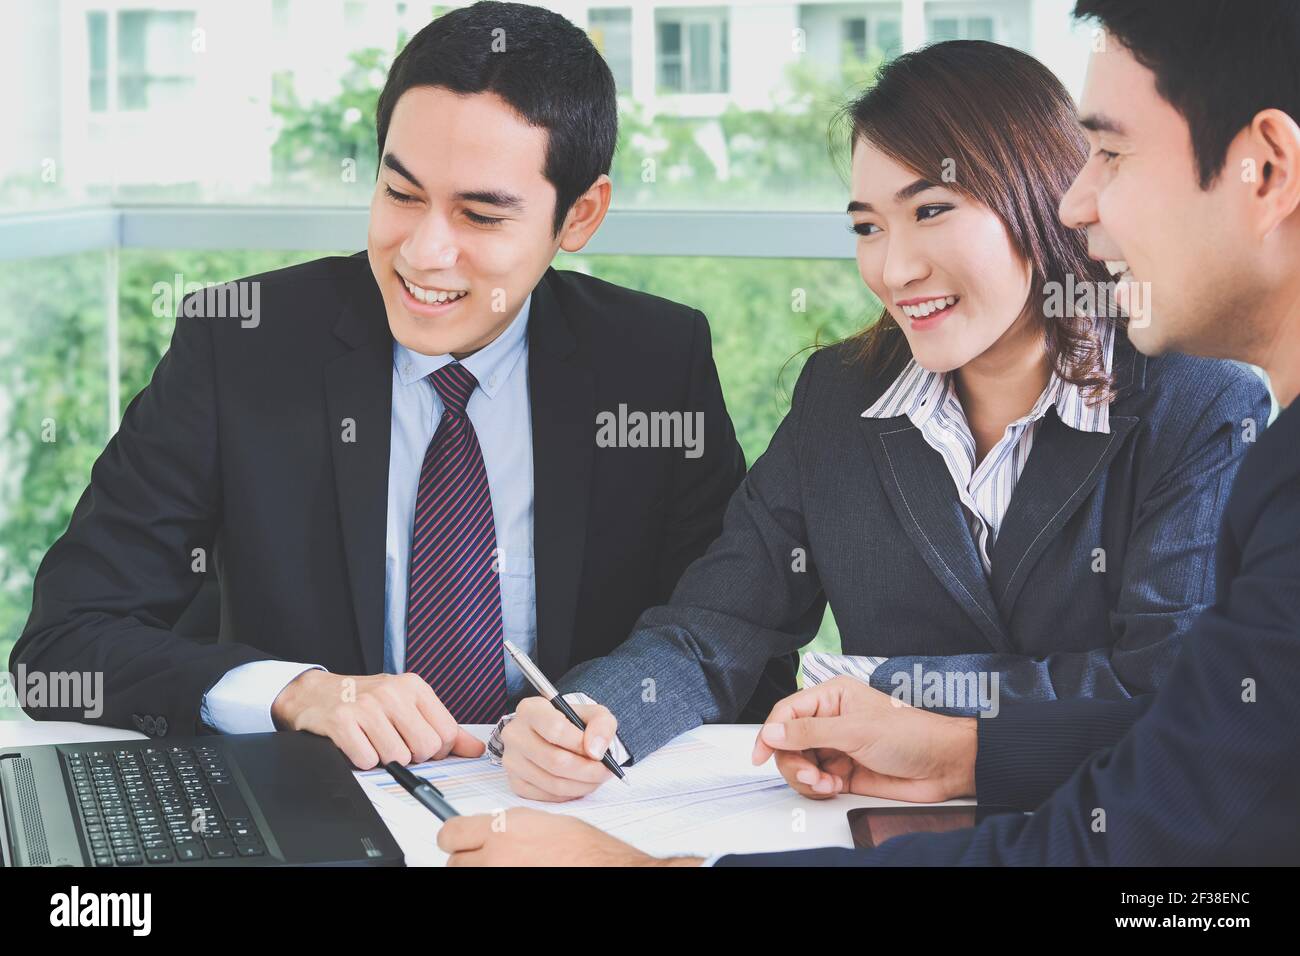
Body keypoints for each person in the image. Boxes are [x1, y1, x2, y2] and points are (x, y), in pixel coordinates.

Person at [438, 0, 1300, 865]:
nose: (893, 267)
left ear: (1038, 193)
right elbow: (714, 629)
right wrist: (590, 714)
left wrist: (903, 696)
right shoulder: (841, 401)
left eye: (932, 210)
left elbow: (1166, 687)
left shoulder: (1197, 397)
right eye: (866, 226)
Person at [10, 1, 802, 770]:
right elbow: (61, 647)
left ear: (580, 216)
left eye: (481, 216)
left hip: (568, 819)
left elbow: (736, 645)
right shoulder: (239, 343)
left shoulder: (655, 363)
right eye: (401, 193)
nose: (423, 254)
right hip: (319, 816)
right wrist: (295, 692)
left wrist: (605, 726)